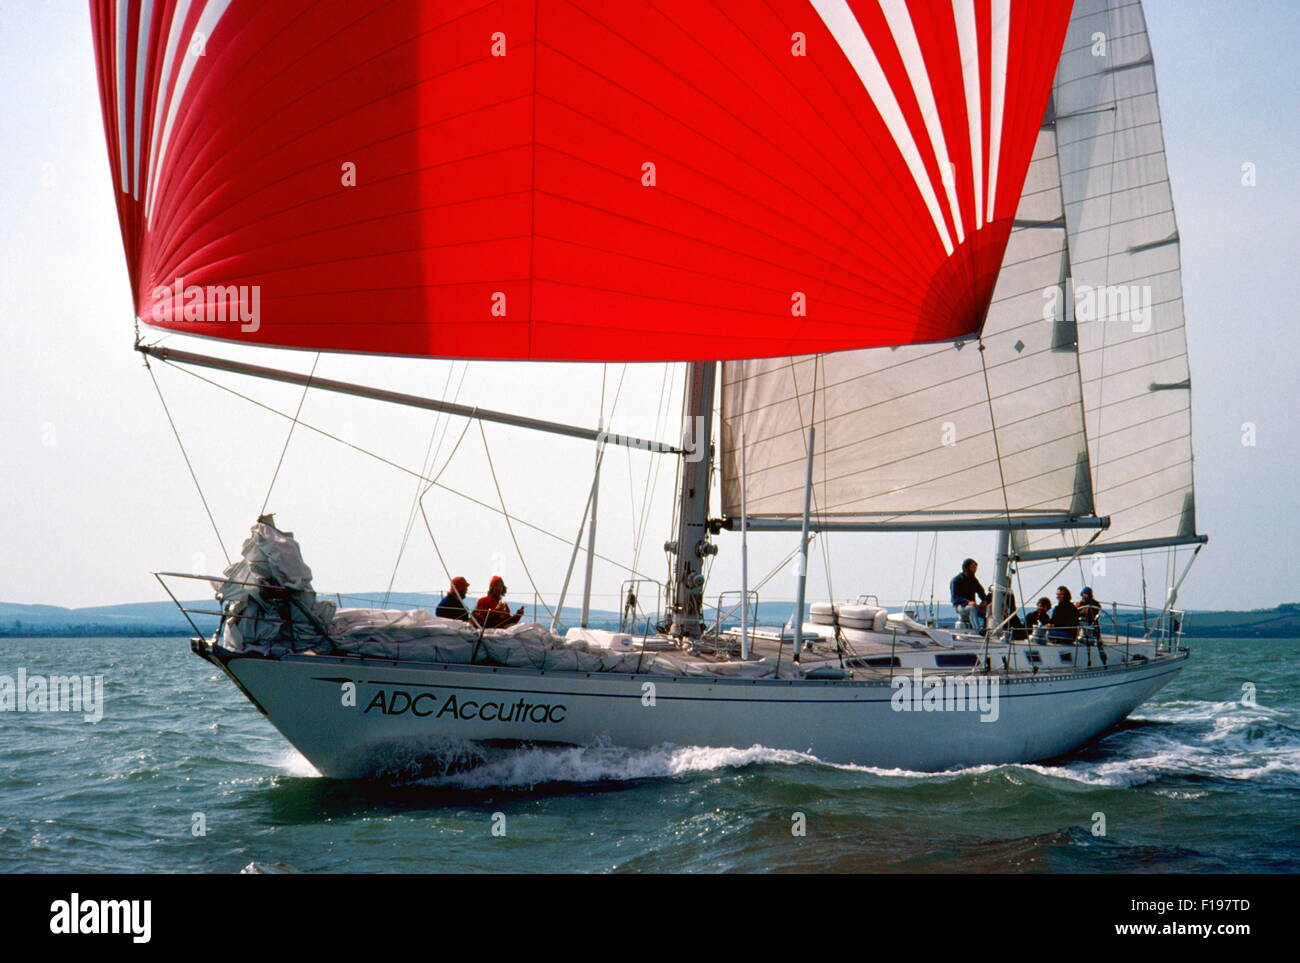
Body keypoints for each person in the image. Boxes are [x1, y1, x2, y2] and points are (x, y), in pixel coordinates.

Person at [949, 558, 989, 632]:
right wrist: (967, 602)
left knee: (987, 612)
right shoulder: (956, 580)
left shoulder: (973, 580)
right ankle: (977, 631)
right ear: (966, 568)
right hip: (960, 606)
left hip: (972, 605)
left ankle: (985, 631)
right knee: (972, 608)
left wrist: (984, 600)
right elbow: (955, 598)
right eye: (972, 567)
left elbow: (981, 591)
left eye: (975, 568)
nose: (974, 570)